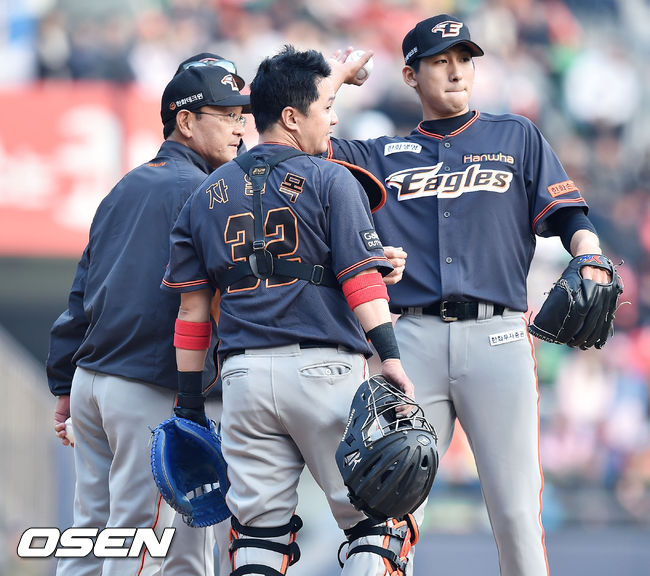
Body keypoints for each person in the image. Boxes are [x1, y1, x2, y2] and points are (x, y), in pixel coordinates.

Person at [325, 14, 613, 576]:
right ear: (411, 75)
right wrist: (335, 79)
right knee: (391, 510)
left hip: (498, 337)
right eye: (440, 61)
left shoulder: (516, 136)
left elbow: (570, 217)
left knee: (516, 513)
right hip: (410, 342)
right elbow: (299, 139)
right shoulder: (379, 154)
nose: (456, 71)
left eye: (464, 59)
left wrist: (590, 253)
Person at [161, 45, 418, 576]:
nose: (334, 118)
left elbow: (191, 313)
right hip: (325, 371)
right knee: (378, 524)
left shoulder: (205, 193)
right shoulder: (332, 178)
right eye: (327, 106)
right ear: (292, 117)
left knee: (259, 535)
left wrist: (188, 404)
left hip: (244, 380)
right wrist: (390, 358)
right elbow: (361, 281)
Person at [46, 61, 250, 576]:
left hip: (93, 385)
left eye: (241, 115)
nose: (239, 127)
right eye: (225, 115)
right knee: (145, 545)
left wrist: (65, 383)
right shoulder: (208, 191)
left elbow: (81, 290)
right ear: (186, 121)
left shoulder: (126, 185)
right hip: (151, 388)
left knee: (91, 538)